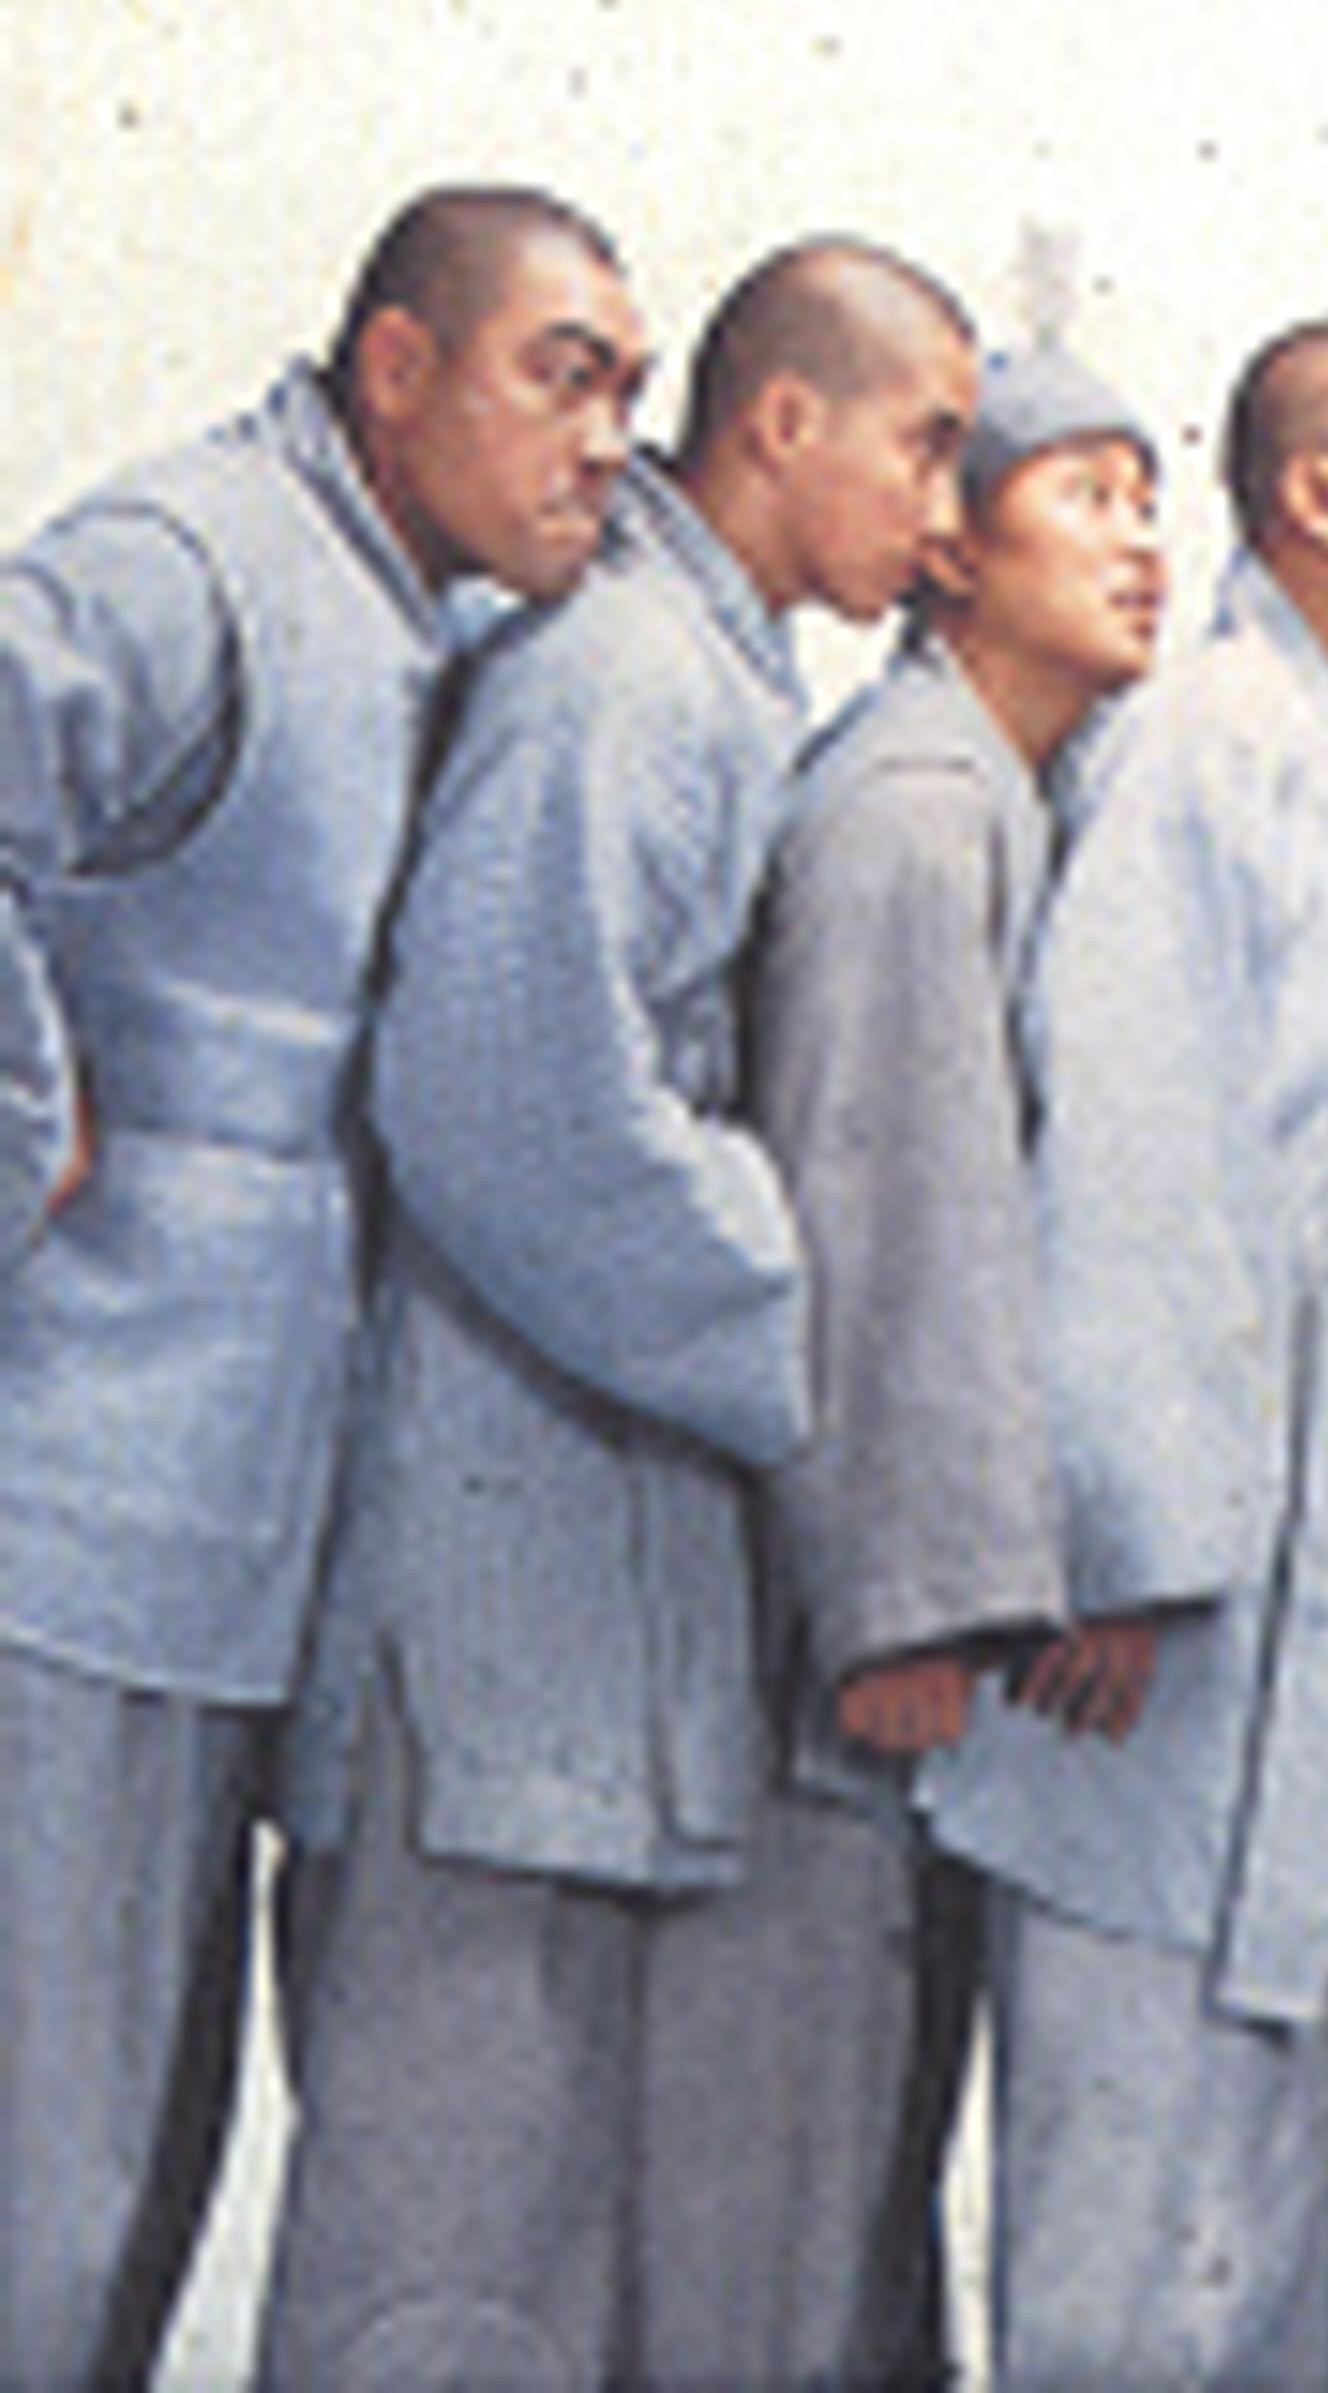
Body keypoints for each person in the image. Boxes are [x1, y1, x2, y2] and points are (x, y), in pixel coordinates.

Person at [256, 236, 978, 2388]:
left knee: (531, 2270)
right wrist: (818, 1324)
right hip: (487, 1616)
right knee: (438, 2275)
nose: (945, 512)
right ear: (787, 423)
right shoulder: (628, 684)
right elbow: (502, 1096)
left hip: (570, 1622)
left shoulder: (706, 675)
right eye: (925, 445)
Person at [0, 185, 645, 2387]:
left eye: (633, 392)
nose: (605, 441)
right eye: (562, 375)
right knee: (44, 2202)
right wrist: (25, 1108)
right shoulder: (190, 560)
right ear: (395, 366)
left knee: (130, 2190)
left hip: (225, 1555)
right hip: (71, 1535)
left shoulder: (410, 608)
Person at [931, 315, 1328, 2387]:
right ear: (1321, 497)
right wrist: (1116, 1546)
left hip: (1271, 1589)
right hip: (1155, 1628)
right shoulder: (1202, 744)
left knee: (1246, 2240)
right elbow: (1118, 1147)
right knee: (1138, 2241)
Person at [622, 340, 1165, 2386]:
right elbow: (873, 1212)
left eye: (1150, 496)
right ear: (953, 553)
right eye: (1086, 493)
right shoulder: (918, 811)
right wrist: (903, 1598)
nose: (1141, 539)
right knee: (790, 2202)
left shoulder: (991, 796)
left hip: (877, 1658)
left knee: (853, 2194)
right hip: (842, 1664)